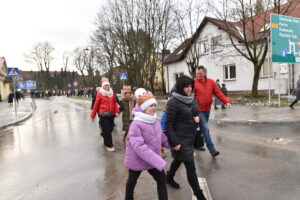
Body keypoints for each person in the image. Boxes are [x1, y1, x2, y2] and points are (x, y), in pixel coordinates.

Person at [165, 75, 206, 200]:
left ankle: (169, 177)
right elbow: (168, 124)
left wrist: (197, 117)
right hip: (180, 139)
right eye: (186, 87)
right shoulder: (173, 102)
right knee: (190, 166)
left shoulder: (192, 99)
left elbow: (195, 112)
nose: (189, 89)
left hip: (191, 137)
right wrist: (174, 141)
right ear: (180, 87)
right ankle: (199, 194)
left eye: (190, 86)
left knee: (178, 159)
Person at [124, 90, 169, 200]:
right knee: (132, 180)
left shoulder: (155, 121)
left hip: (151, 159)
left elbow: (161, 138)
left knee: (162, 179)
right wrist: (158, 161)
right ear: (143, 108)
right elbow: (139, 147)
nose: (153, 108)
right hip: (137, 159)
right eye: (150, 106)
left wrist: (174, 144)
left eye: (154, 105)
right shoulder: (136, 124)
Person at [194, 66, 232, 157]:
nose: (198, 75)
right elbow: (190, 97)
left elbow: (218, 93)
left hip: (207, 110)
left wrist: (226, 101)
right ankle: (212, 150)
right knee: (205, 129)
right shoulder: (194, 83)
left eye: (200, 73)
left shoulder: (211, 82)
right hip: (199, 110)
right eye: (197, 73)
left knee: (201, 129)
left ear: (204, 73)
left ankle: (197, 145)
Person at [91, 78, 119, 152]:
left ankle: (104, 135)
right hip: (103, 115)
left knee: (110, 129)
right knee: (107, 130)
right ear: (103, 86)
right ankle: (109, 145)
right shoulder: (100, 94)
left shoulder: (112, 93)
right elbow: (96, 105)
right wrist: (93, 115)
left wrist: (117, 111)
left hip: (111, 114)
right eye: (105, 85)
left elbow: (115, 103)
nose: (107, 87)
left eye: (108, 85)